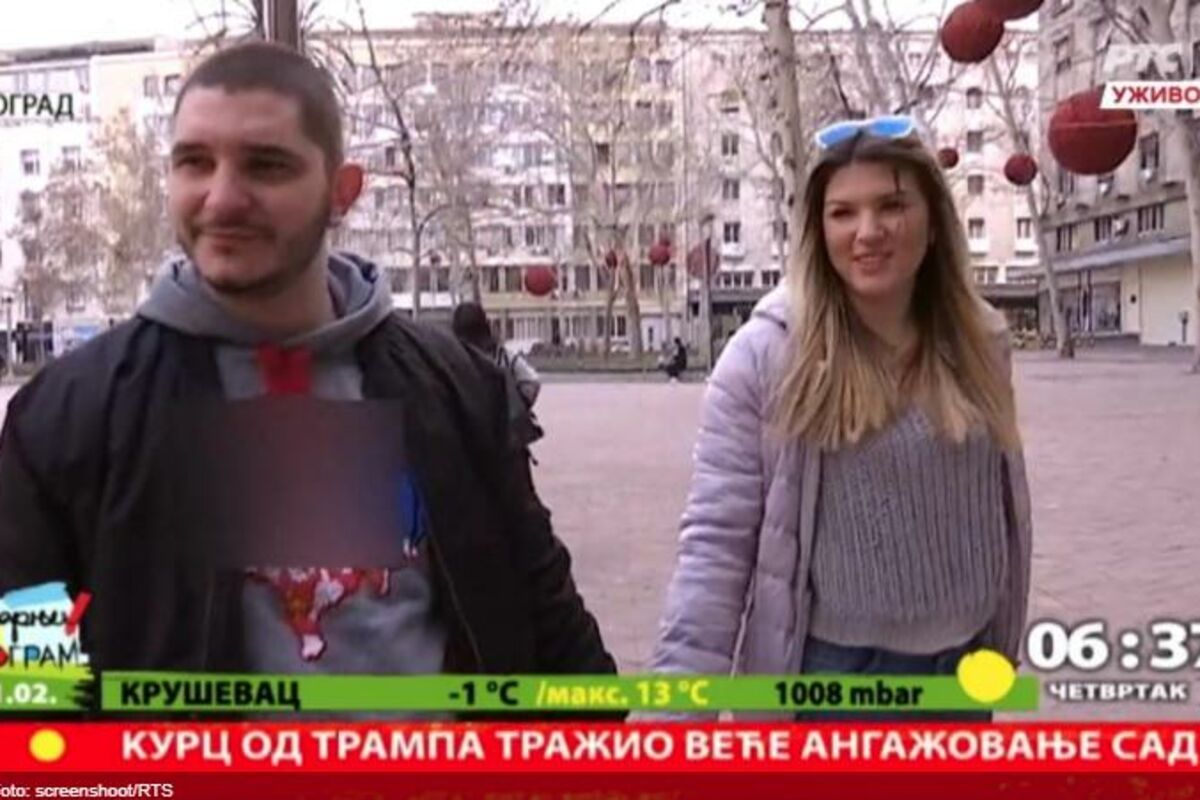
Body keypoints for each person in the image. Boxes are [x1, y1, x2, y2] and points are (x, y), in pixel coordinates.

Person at [0, 42, 616, 707]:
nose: (222, 199)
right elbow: (29, 691)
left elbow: (552, 629)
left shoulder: (456, 390)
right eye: (194, 162)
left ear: (342, 192)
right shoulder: (65, 417)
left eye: (266, 165)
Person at [649, 116, 1033, 720]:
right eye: (843, 213)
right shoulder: (767, 356)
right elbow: (714, 550)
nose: (868, 232)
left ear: (934, 221)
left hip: (965, 676)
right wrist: (671, 720)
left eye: (891, 206)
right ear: (818, 230)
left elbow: (998, 508)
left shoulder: (981, 341)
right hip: (838, 686)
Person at [452, 302, 543, 448]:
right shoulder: (503, 356)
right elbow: (532, 381)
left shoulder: (452, 358)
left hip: (465, 439)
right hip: (504, 438)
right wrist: (517, 405)